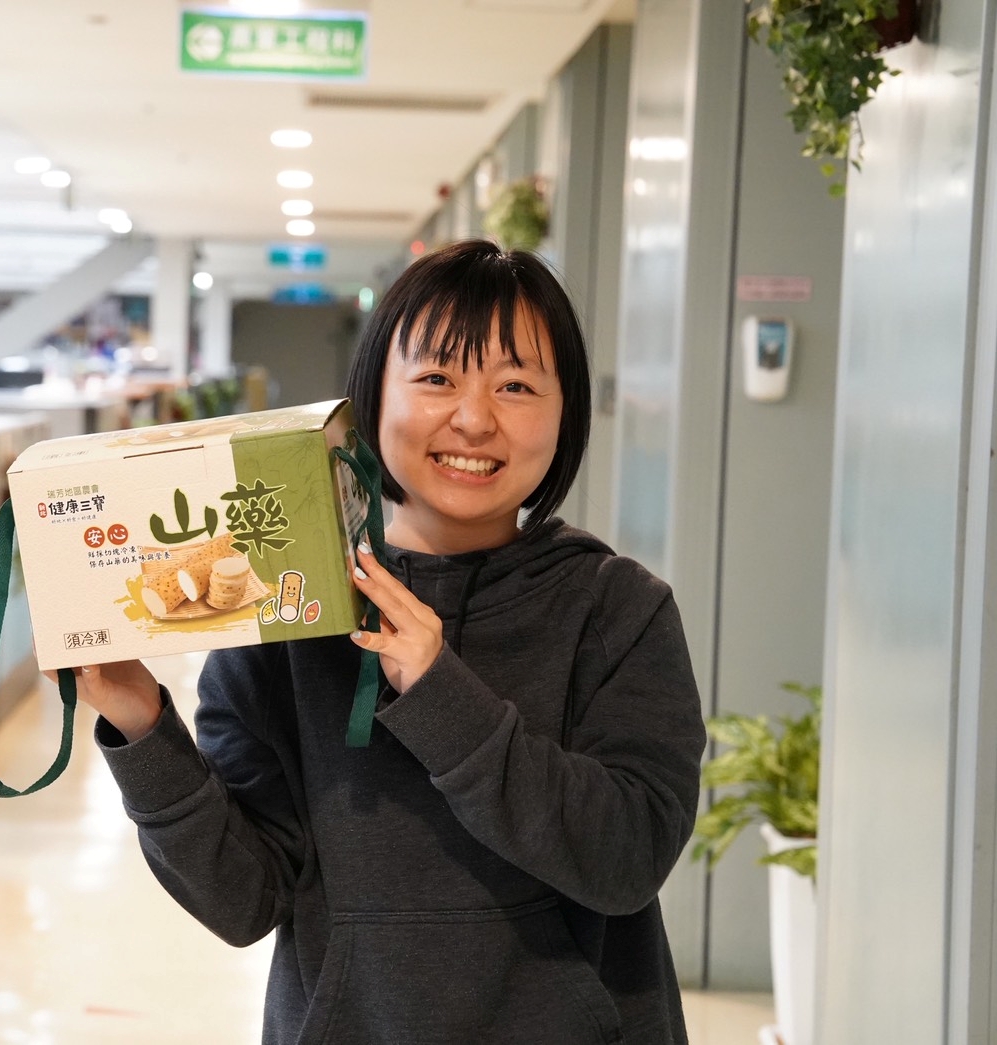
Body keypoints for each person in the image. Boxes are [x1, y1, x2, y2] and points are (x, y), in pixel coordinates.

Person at [59, 239, 707, 1044]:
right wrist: (141, 725)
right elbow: (243, 901)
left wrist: (443, 698)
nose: (473, 418)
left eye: (515, 385)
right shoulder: (288, 608)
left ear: (564, 410)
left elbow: (627, 859)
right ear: (370, 396)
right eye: (436, 378)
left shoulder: (617, 608)